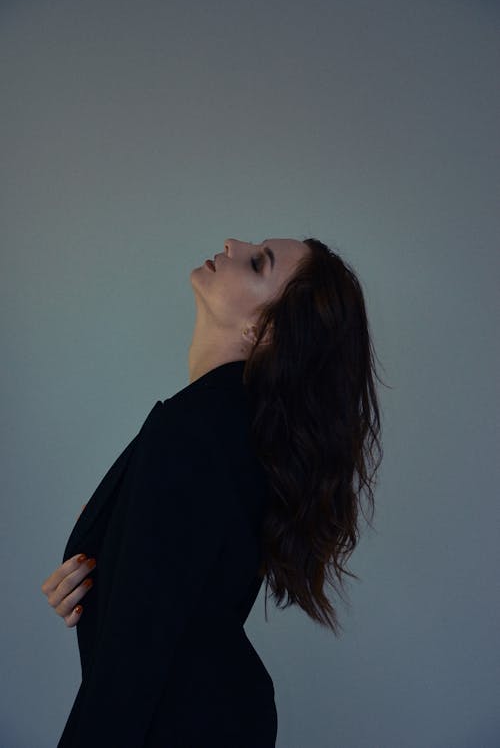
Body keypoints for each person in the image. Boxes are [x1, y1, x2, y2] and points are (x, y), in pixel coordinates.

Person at [41, 237, 383, 747]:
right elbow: (167, 602)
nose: (233, 243)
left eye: (257, 262)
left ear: (263, 330)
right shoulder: (228, 429)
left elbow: (129, 670)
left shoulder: (198, 429)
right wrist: (99, 576)